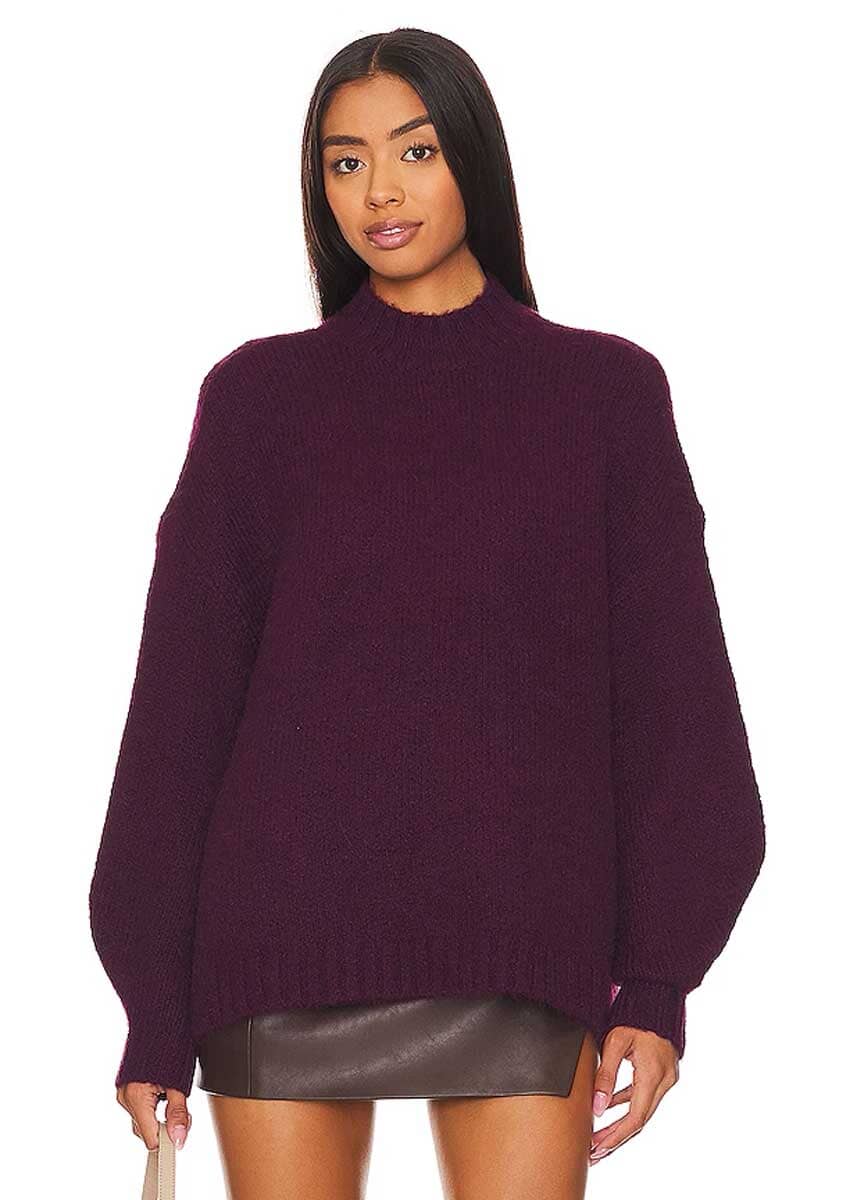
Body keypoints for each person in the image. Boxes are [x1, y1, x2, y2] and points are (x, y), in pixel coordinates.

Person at [88, 27, 766, 1200]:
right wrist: (153, 1008)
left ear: (472, 160)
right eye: (344, 162)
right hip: (276, 941)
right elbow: (178, 718)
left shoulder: (603, 396)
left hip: (524, 945)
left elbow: (678, 712)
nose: (380, 193)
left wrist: (657, 983)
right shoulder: (257, 402)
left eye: (414, 150)